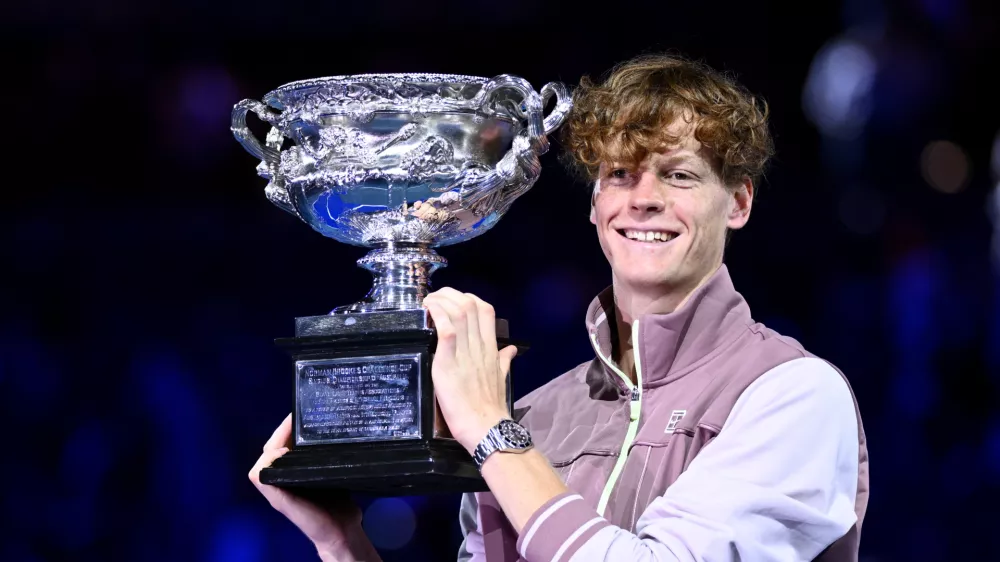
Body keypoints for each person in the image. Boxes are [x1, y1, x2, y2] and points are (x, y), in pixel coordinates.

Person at [249, 53, 870, 562]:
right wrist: (342, 542)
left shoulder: (793, 395)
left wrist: (492, 433)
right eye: (621, 175)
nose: (644, 199)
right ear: (595, 205)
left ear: (737, 202)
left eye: (679, 175)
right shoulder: (536, 416)